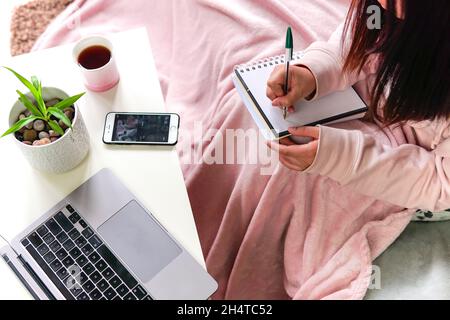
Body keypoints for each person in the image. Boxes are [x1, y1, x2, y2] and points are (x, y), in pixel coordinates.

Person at [266, 0, 450, 214]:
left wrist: (340, 158)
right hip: (382, 103)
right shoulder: (380, 10)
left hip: (415, 169)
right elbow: (358, 41)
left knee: (285, 178)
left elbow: (439, 186)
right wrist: (311, 72)